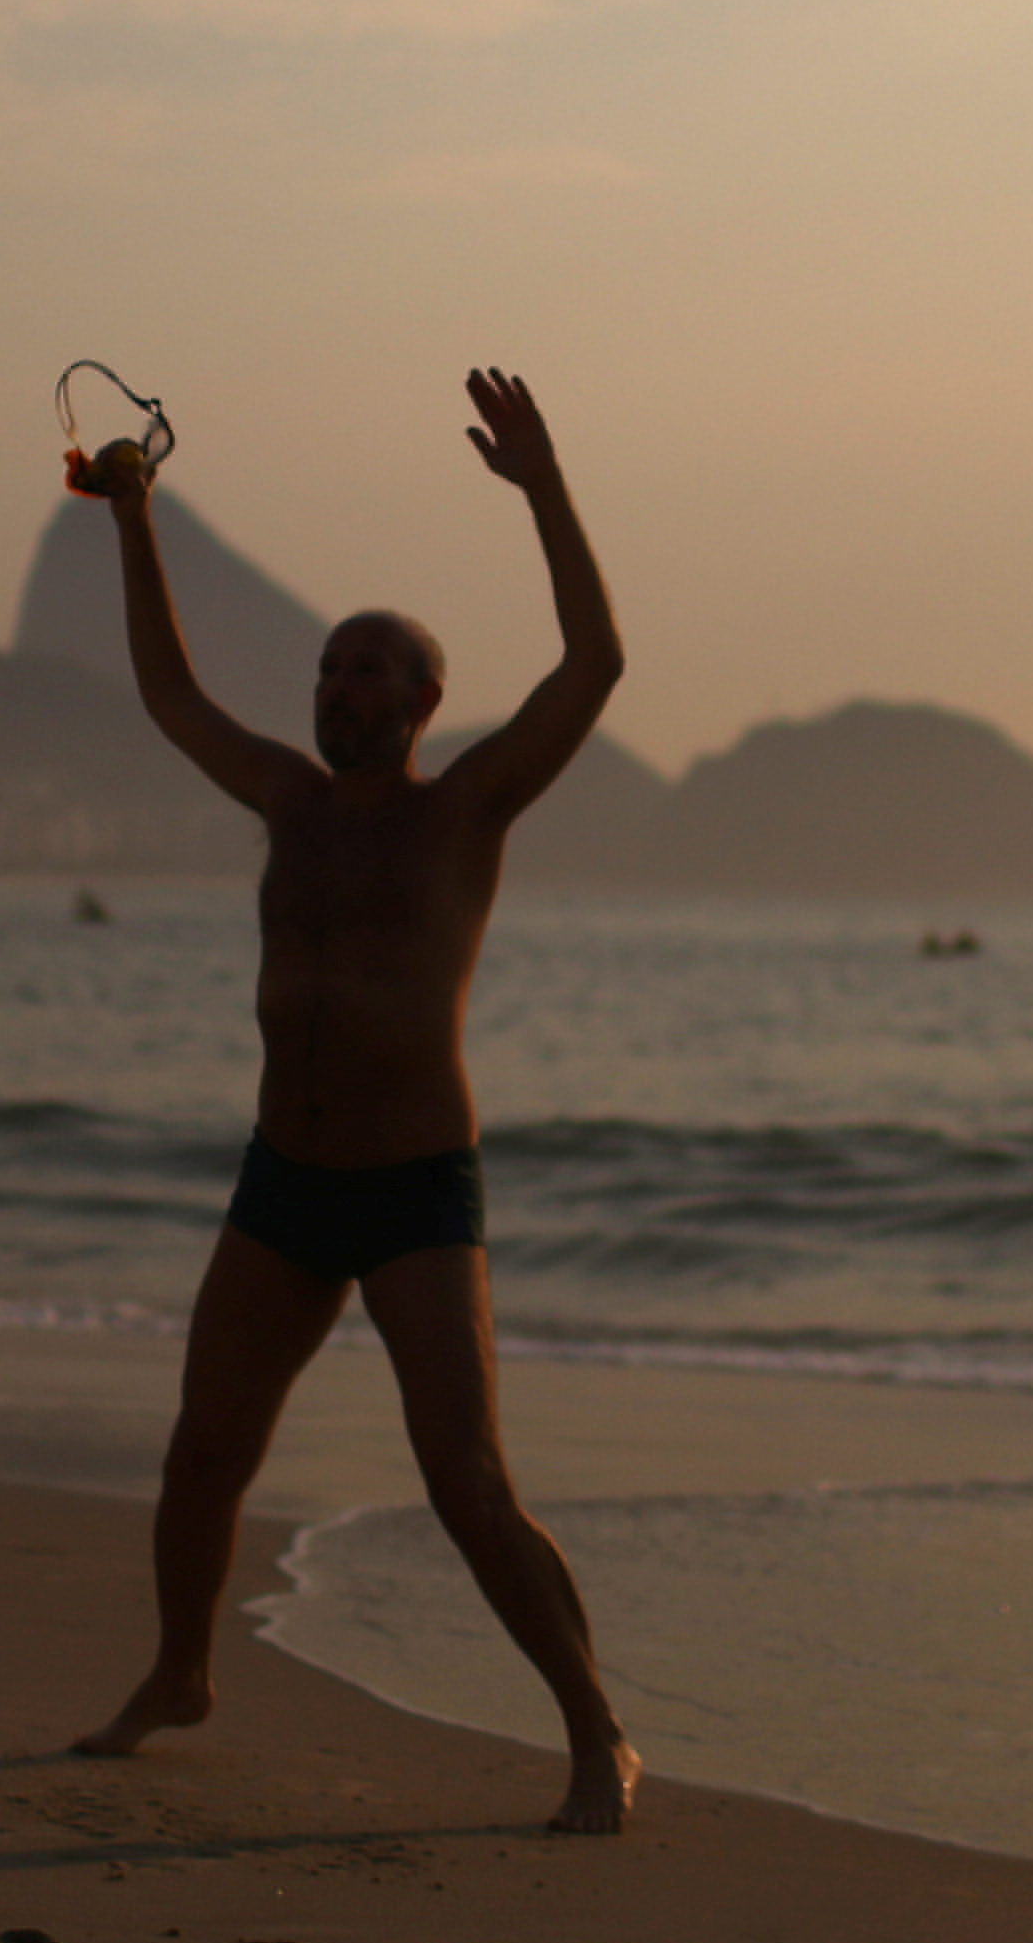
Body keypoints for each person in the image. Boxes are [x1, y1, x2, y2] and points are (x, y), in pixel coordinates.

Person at [68, 368, 640, 1833]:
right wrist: (133, 517)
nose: (341, 688)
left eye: (371, 669)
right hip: (284, 1184)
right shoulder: (282, 799)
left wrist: (545, 487)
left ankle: (596, 1732)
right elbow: (165, 693)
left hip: (412, 1195)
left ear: (427, 702)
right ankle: (182, 1673)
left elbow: (594, 666)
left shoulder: (469, 810)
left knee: (466, 1481)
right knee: (206, 1447)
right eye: (329, 668)